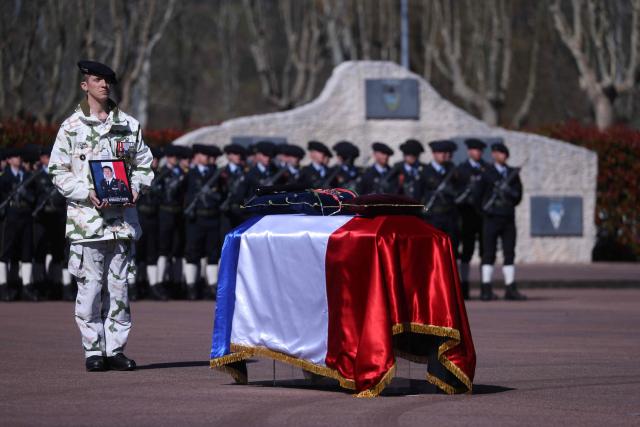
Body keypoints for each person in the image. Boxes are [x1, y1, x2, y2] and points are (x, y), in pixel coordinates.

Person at [49, 60, 154, 372]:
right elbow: (57, 170)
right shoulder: (71, 128)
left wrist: (136, 188)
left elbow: (145, 164)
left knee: (119, 289)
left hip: (121, 222)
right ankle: (94, 350)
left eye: (107, 80)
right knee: (91, 289)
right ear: (85, 85)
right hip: (87, 222)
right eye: (97, 80)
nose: (104, 85)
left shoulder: (129, 126)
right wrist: (85, 191)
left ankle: (116, 349)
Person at [477, 142, 526, 301]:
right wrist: (484, 211)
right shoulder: (487, 172)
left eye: (502, 153)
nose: (499, 156)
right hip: (491, 217)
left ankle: (510, 287)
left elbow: (518, 196)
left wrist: (509, 192)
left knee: (509, 252)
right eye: (496, 153)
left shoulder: (512, 173)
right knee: (488, 253)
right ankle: (485, 287)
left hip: (507, 217)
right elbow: (478, 195)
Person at [183, 144, 224, 300]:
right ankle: (191, 286)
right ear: (197, 156)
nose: (206, 157)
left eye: (207, 155)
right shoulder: (190, 174)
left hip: (212, 218)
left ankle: (212, 285)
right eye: (203, 154)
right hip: (196, 218)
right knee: (193, 252)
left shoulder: (216, 173)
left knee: (213, 253)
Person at [33, 145, 70, 301]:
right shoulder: (35, 177)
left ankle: (57, 286)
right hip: (42, 220)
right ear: (42, 159)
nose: (49, 160)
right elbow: (33, 197)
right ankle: (39, 285)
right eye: (46, 157)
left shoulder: (61, 176)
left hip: (57, 219)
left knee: (58, 253)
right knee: (39, 253)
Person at [0, 148, 38, 302]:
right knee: (5, 252)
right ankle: (3, 286)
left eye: (19, 156)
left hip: (25, 217)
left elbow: (34, 196)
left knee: (26, 251)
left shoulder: (28, 176)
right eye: (14, 156)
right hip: (10, 217)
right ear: (8, 160)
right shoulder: (4, 178)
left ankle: (26, 286)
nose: (18, 159)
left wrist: (26, 194)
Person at [455, 138, 488, 299]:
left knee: (485, 252)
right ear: (469, 151)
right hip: (467, 216)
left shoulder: (487, 169)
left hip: (483, 216)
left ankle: (485, 286)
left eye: (480, 150)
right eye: (475, 150)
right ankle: (464, 286)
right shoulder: (461, 169)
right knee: (466, 252)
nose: (478, 153)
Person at [155, 144, 188, 299]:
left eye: (177, 158)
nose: (175, 160)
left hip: (177, 214)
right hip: (165, 214)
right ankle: (160, 283)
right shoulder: (161, 173)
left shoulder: (181, 173)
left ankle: (175, 283)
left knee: (176, 249)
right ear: (168, 157)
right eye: (173, 157)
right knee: (163, 249)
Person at [134, 146, 164, 300]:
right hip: (140, 217)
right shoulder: (138, 176)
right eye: (153, 159)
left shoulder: (161, 176)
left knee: (152, 253)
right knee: (136, 254)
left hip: (154, 218)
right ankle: (133, 286)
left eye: (157, 159)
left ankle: (153, 286)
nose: (156, 162)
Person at [422, 140, 460, 257]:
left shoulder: (452, 171)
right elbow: (418, 195)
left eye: (445, 152)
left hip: (449, 217)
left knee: (450, 251)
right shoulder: (425, 171)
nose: (443, 155)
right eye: (440, 152)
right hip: (432, 217)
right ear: (434, 154)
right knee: (431, 251)